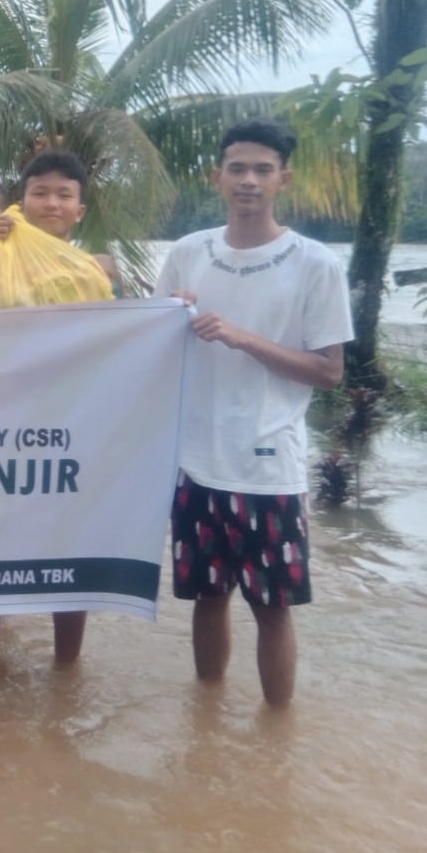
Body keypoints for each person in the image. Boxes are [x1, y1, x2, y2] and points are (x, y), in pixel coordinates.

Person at [156, 119, 349, 707]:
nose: (248, 180)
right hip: (195, 463)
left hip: (269, 468)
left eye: (262, 169)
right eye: (236, 168)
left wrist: (245, 339)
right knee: (206, 599)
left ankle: (276, 732)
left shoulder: (315, 264)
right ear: (217, 177)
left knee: (272, 609)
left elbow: (329, 370)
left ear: (282, 179)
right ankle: (208, 723)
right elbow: (152, 344)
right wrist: (168, 315)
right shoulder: (189, 253)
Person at [0, 150, 110, 662]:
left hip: (71, 429)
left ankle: (66, 666)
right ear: (22, 201)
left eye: (63, 195)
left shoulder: (96, 273)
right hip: (0, 428)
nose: (51, 202)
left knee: (69, 549)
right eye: (40, 192)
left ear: (80, 210)